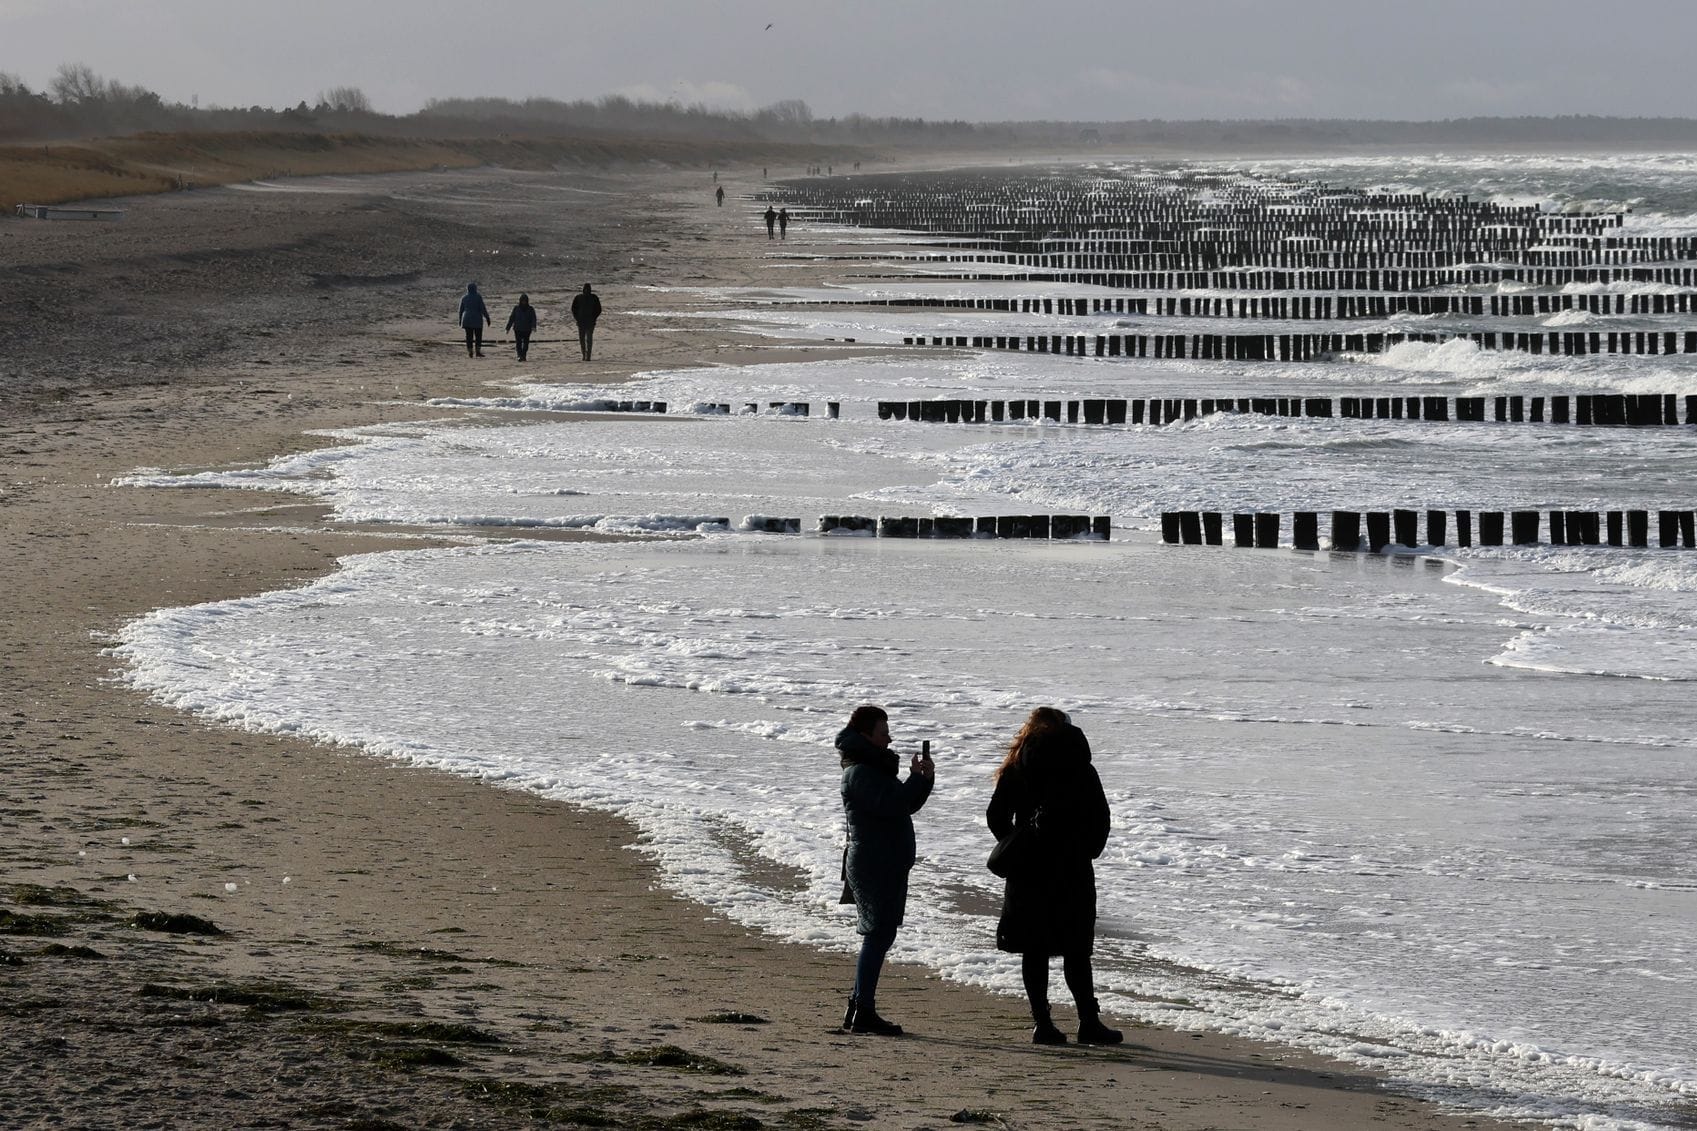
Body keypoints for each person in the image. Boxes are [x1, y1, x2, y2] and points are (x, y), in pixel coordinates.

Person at [986, 707, 1122, 1046]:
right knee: (1077, 950)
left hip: (1028, 872)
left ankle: (1042, 1024)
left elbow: (995, 816)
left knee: (1035, 950)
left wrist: (1017, 843)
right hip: (1071, 870)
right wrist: (1086, 848)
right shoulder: (1081, 769)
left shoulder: (1018, 767)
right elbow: (1100, 819)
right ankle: (1088, 1022)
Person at [837, 705, 934, 1036]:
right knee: (877, 934)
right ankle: (862, 1009)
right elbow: (896, 805)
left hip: (882, 861)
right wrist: (917, 779)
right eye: (883, 732)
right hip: (873, 863)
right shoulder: (861, 772)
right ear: (866, 735)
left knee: (880, 933)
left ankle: (858, 1007)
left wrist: (922, 780)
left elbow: (903, 804)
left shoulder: (871, 768)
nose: (889, 737)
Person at [457, 282, 490, 358]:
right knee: (478, 336)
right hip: (477, 319)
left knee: (469, 337)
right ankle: (478, 351)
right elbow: (482, 309)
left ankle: (470, 352)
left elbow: (461, 310)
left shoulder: (464, 297)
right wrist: (487, 318)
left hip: (467, 319)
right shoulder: (478, 297)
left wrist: (460, 320)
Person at [570, 283, 601, 362]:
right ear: (583, 289)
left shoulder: (594, 297)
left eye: (588, 289)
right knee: (582, 339)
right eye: (585, 289)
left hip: (590, 321)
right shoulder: (578, 297)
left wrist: (594, 317)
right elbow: (573, 309)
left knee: (589, 339)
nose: (587, 290)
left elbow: (598, 309)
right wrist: (577, 318)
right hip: (581, 322)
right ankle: (584, 354)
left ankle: (588, 356)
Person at [504, 293, 537, 362]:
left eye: (525, 301)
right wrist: (508, 328)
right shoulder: (516, 308)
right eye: (522, 300)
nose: (524, 302)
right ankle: (519, 356)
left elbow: (534, 318)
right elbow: (512, 318)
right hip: (518, 329)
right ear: (520, 301)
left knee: (526, 344)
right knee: (518, 343)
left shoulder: (530, 309)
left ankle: (524, 355)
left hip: (527, 329)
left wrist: (534, 326)